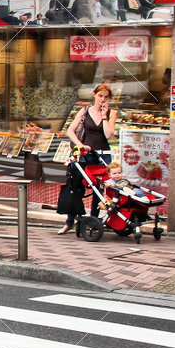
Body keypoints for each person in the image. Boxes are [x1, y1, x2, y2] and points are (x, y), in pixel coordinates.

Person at [60, 82, 118, 235]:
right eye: (100, 96)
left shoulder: (111, 112)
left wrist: (104, 116)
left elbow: (109, 135)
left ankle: (94, 221)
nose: (102, 100)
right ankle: (70, 221)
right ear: (94, 95)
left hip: (103, 154)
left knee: (99, 189)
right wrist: (80, 145)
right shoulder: (85, 111)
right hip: (86, 154)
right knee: (77, 187)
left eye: (106, 97)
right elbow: (70, 131)